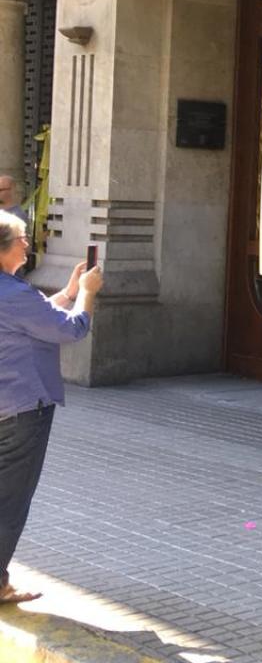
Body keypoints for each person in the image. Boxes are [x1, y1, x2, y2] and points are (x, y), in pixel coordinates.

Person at [0, 210, 101, 605]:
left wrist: (71, 291)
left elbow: (37, 318)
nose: (28, 243)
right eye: (23, 238)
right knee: (10, 502)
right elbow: (69, 329)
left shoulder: (14, 294)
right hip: (22, 410)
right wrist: (90, 294)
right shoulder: (15, 294)